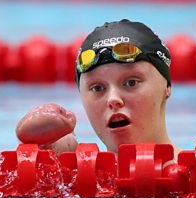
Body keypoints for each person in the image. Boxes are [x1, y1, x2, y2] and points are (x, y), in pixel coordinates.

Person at [16, 19, 181, 159]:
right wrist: (43, 152)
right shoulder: (74, 177)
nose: (113, 99)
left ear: (166, 86)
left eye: (131, 82)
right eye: (97, 88)